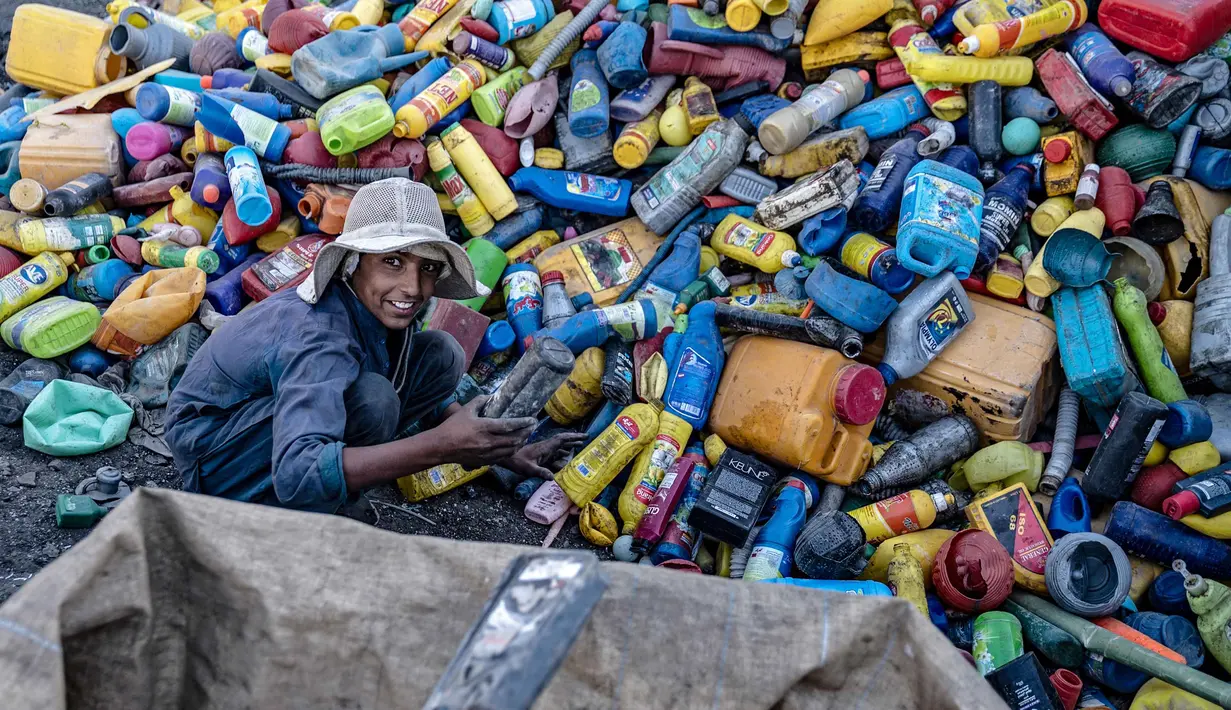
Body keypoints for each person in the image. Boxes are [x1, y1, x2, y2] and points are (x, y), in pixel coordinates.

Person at [165, 178, 581, 513]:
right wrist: (440, 448)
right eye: (393, 262)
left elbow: (430, 400)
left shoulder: (380, 307)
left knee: (442, 354)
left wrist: (505, 452)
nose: (413, 287)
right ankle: (296, 512)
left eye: (429, 268)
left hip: (260, 429)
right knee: (374, 399)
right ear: (354, 261)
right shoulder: (321, 336)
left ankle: (339, 477)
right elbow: (296, 470)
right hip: (214, 459)